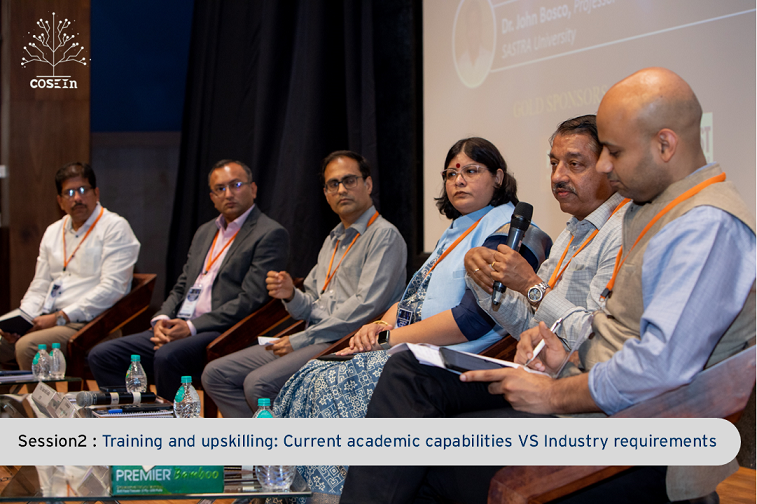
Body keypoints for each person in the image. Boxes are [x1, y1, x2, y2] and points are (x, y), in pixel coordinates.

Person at [341, 68, 756, 504]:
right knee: (413, 386)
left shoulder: (705, 225)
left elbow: (658, 369)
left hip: (632, 441)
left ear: (665, 145)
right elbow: (616, 332)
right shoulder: (655, 214)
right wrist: (551, 344)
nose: (606, 166)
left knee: (427, 457)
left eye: (613, 153)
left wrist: (554, 392)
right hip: (590, 399)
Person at [272, 137, 526, 501]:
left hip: (453, 358)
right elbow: (412, 296)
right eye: (451, 173)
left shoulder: (509, 231)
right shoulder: (459, 228)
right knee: (311, 374)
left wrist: (387, 340)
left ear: (498, 177)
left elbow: (473, 321)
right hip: (409, 346)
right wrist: (381, 324)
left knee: (330, 384)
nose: (459, 180)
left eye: (471, 171)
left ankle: (336, 493)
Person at [201, 150, 407, 418]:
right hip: (315, 335)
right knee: (216, 374)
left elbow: (365, 308)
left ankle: (285, 444)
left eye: (349, 180)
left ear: (367, 184)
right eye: (333, 184)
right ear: (326, 194)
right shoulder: (333, 239)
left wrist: (301, 340)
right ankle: (257, 440)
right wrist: (290, 294)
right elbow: (311, 302)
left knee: (258, 384)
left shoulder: (384, 236)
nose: (341, 189)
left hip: (344, 340)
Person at [88, 159, 289, 400]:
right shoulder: (205, 231)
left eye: (236, 185)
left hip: (222, 330)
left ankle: (173, 422)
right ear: (212, 197)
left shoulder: (269, 233)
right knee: (103, 355)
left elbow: (251, 299)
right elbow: (183, 284)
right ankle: (138, 413)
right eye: (220, 189)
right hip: (180, 324)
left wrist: (192, 327)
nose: (228, 194)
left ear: (253, 189)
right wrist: (162, 319)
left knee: (167, 356)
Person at [0, 162, 140, 370]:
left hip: (92, 323)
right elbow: (40, 285)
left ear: (96, 193)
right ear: (60, 201)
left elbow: (112, 288)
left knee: (27, 347)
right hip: (50, 319)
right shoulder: (53, 231)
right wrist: (24, 320)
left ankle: (40, 394)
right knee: (9, 339)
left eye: (83, 190)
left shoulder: (114, 227)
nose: (77, 198)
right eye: (69, 193)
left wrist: (61, 317)